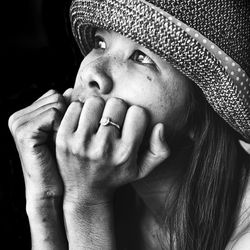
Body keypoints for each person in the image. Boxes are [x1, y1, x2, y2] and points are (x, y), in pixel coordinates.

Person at [8, 0, 250, 249]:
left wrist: (86, 203)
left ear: (200, 119)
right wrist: (42, 199)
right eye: (100, 43)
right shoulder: (107, 189)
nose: (91, 72)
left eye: (141, 57)